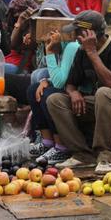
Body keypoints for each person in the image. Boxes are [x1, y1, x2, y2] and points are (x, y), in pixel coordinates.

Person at [47, 11, 111, 173]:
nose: (75, 37)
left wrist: (92, 53)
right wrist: (73, 92)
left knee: (104, 92)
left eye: (77, 33)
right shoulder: (81, 52)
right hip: (98, 104)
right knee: (55, 99)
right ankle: (82, 154)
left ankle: (105, 155)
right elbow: (70, 84)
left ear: (90, 33)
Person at [27, 9, 81, 165]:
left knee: (49, 95)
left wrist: (49, 52)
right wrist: (46, 80)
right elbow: (58, 77)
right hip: (67, 87)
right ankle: (47, 142)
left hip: (76, 92)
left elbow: (60, 82)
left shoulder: (71, 46)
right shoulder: (62, 46)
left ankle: (60, 147)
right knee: (34, 90)